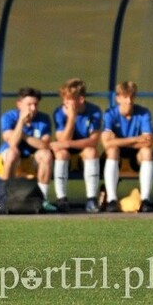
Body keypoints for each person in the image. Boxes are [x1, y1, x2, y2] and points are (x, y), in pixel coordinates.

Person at [0, 87, 57, 212]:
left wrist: (23, 135)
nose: (33, 108)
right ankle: (2, 197)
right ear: (19, 104)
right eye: (29, 104)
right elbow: (12, 143)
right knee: (13, 152)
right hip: (10, 159)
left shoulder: (43, 119)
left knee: (46, 154)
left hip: (30, 159)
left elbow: (45, 145)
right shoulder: (8, 117)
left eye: (36, 104)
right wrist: (21, 123)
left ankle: (42, 200)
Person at [101, 81, 153, 213]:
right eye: (125, 97)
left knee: (147, 152)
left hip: (135, 155)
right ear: (118, 98)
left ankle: (145, 200)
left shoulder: (143, 113)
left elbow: (148, 142)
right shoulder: (110, 114)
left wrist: (117, 140)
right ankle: (111, 200)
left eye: (132, 96)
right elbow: (107, 143)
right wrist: (136, 138)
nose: (129, 101)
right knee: (112, 150)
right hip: (117, 155)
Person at [51, 78, 103, 213]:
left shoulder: (94, 111)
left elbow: (94, 141)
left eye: (69, 100)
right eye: (64, 99)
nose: (65, 103)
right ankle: (61, 199)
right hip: (66, 151)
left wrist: (67, 143)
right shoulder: (59, 112)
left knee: (91, 152)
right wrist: (71, 118)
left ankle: (91, 199)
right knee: (61, 153)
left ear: (80, 99)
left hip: (83, 149)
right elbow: (62, 139)